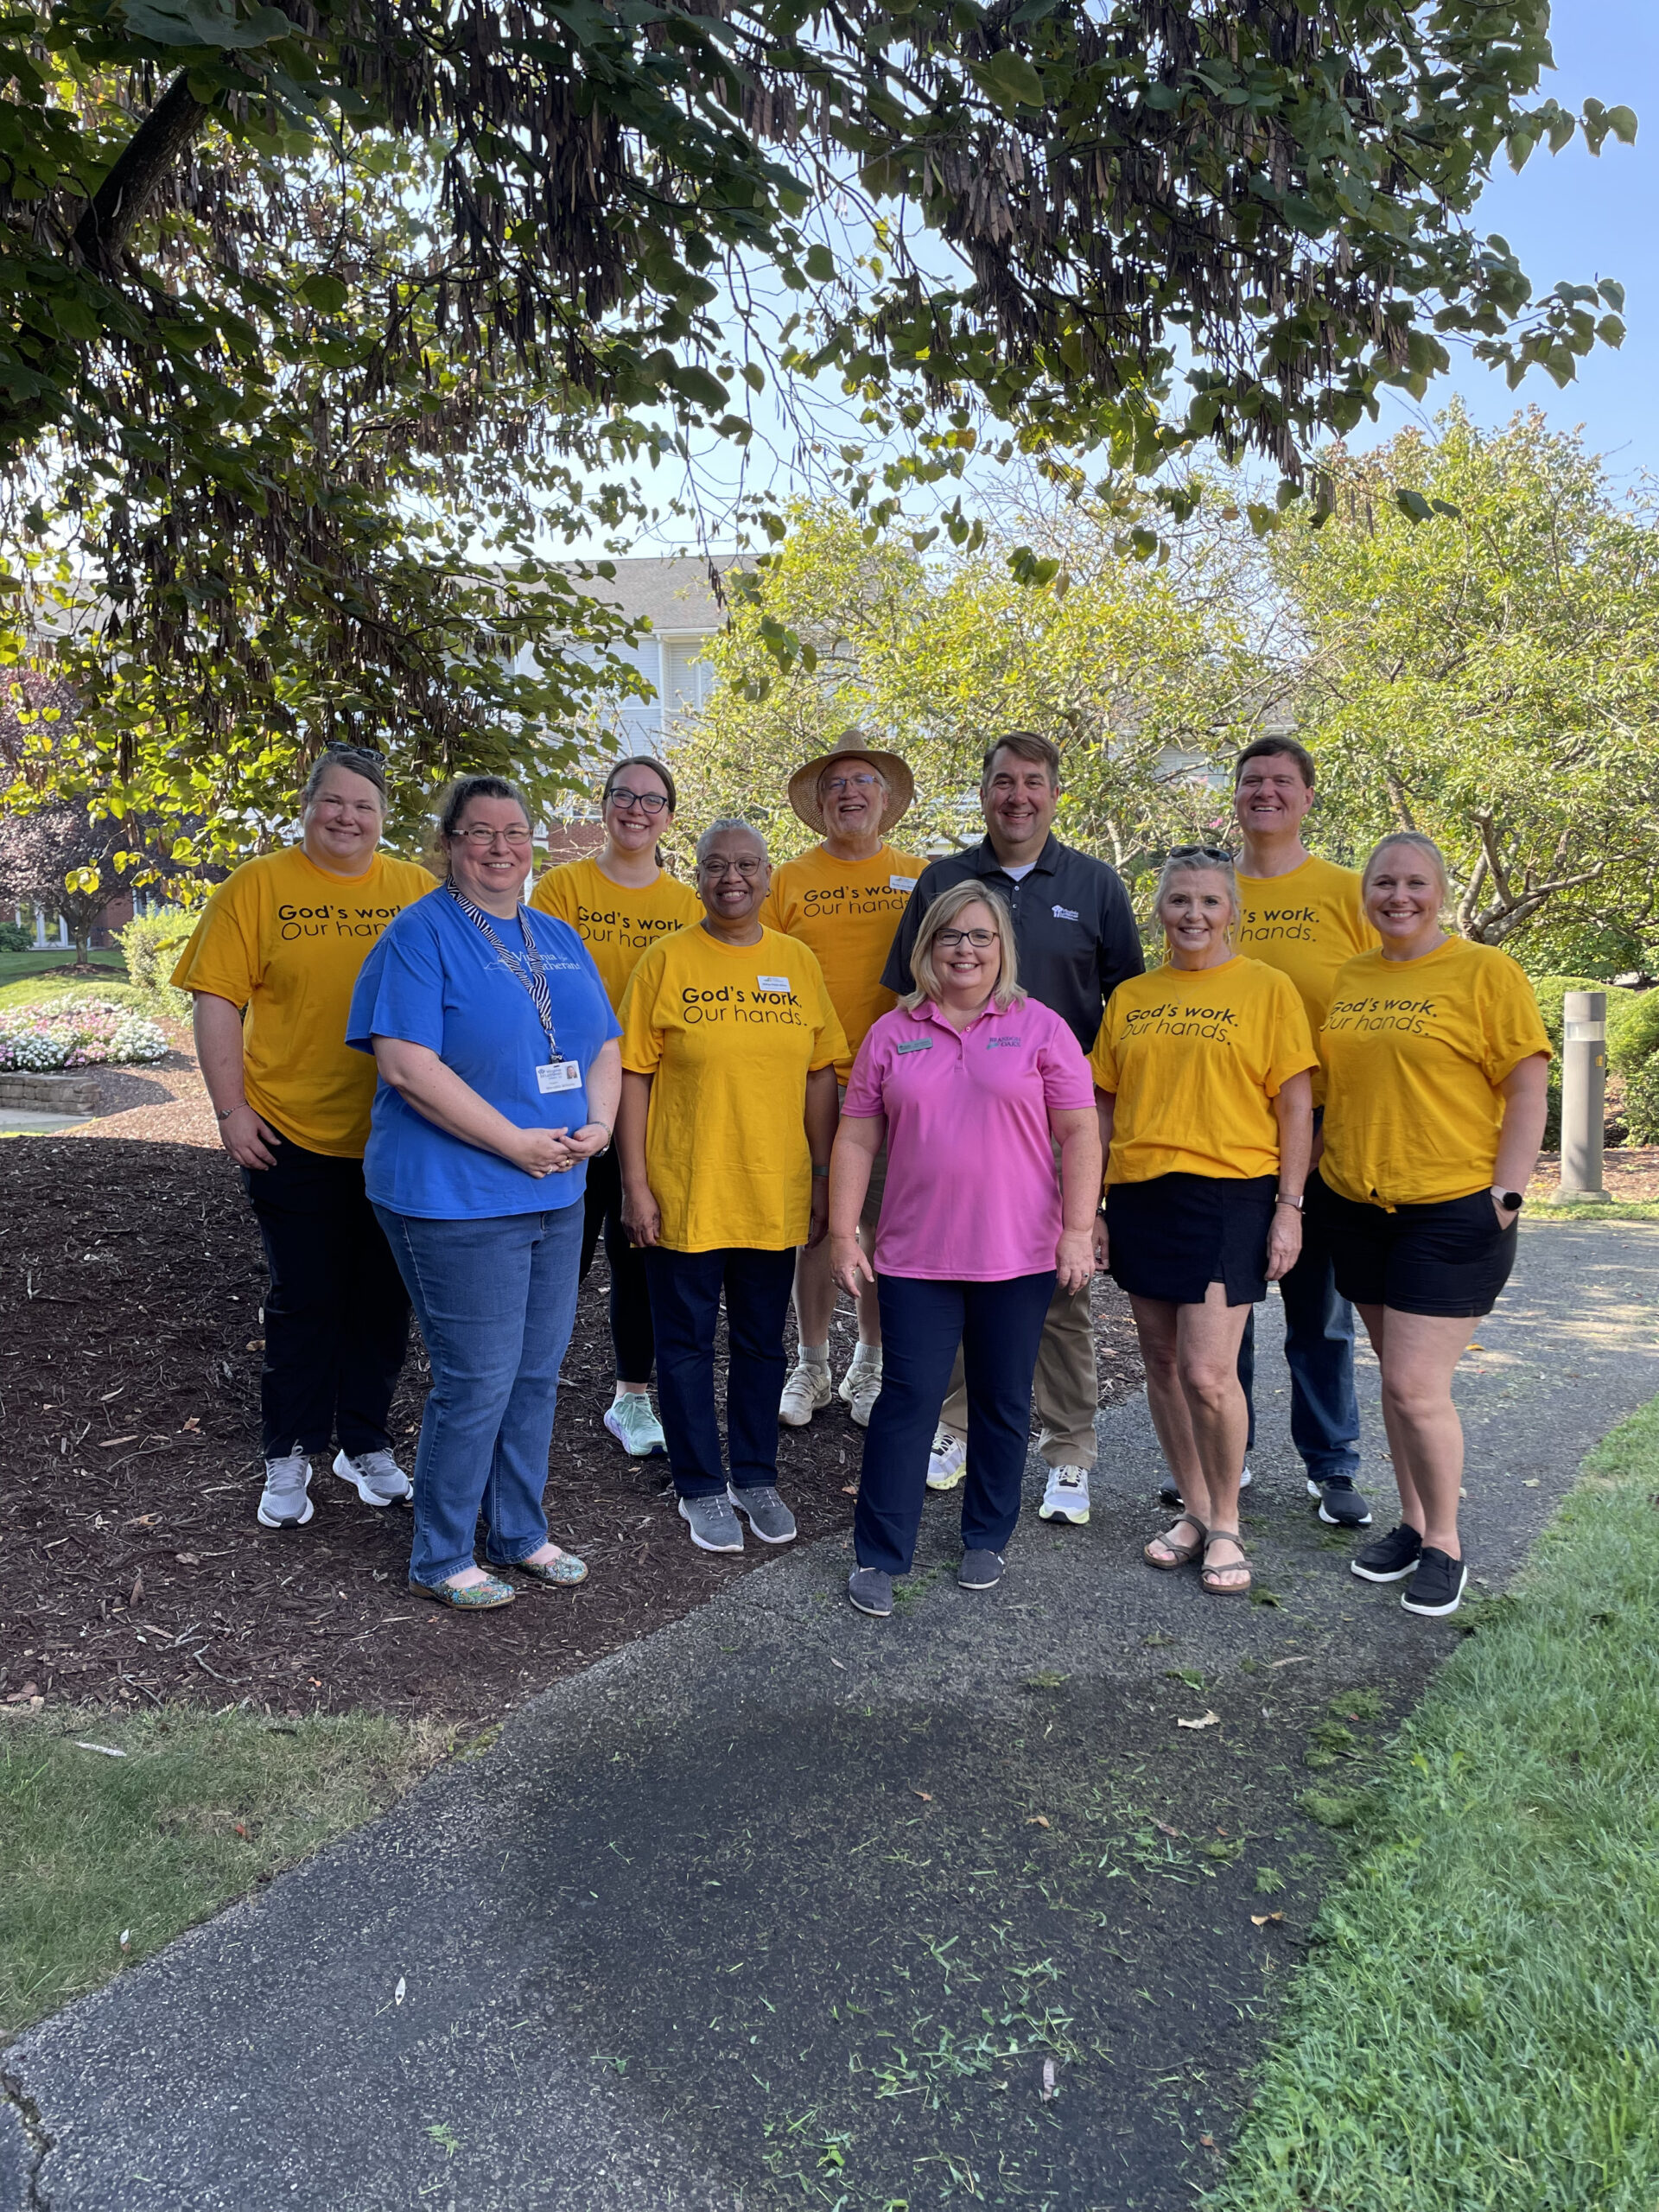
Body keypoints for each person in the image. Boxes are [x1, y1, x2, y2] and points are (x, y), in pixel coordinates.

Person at [346, 773, 619, 1609]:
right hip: (455, 1195)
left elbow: (605, 1045)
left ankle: (518, 1533)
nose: (501, 848)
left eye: (515, 832)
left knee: (535, 1373)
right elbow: (405, 1065)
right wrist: (513, 1143)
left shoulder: (556, 935)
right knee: (478, 1380)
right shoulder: (418, 935)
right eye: (480, 832)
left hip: (557, 1189)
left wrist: (600, 1124)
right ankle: (440, 1556)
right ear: (449, 844)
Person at [172, 743, 435, 1532]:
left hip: (398, 1135)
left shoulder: (415, 890)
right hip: (291, 1134)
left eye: (364, 806)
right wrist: (231, 1110)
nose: (347, 817)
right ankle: (289, 1450)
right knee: (307, 1296)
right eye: (334, 801)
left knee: (384, 1297)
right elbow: (216, 1000)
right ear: (308, 807)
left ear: (383, 817)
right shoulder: (257, 886)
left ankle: (364, 1442)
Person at [882, 731, 1142, 1525]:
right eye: (1003, 781)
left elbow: (1129, 1010)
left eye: (1033, 782)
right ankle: (958, 1427)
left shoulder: (1095, 884)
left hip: (1060, 1124)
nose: (1017, 796)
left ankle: (1070, 1453)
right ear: (984, 793)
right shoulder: (943, 881)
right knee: (962, 1282)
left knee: (1061, 1295)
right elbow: (905, 998)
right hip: (959, 1121)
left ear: (1055, 794)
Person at [831, 884, 1101, 1616]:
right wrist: (842, 1232)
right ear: (927, 948)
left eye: (981, 936)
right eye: (950, 935)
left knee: (1003, 1399)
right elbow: (856, 1136)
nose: (965, 949)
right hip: (915, 1256)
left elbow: (1080, 1132)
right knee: (907, 1400)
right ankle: (880, 1554)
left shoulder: (1041, 1028)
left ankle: (985, 1537)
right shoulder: (892, 1034)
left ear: (1002, 948)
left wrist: (1079, 1230)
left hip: (1018, 1256)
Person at [1319, 832, 1549, 1619]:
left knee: (1417, 1387)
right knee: (1394, 1378)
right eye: (1384, 882)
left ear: (1440, 891)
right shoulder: (1352, 976)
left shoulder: (1486, 972)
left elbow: (1526, 1089)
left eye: (1415, 882)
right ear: (1366, 895)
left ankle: (1446, 1542)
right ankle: (1414, 1523)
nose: (1398, 896)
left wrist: (1507, 1194)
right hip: (1358, 1205)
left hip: (1451, 1208)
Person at [616, 818, 847, 1555]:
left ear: (768, 876)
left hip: (771, 1190)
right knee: (684, 1346)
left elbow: (820, 1073)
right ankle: (699, 1485)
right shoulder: (665, 960)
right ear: (698, 877)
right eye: (716, 865)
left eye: (747, 864)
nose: (732, 878)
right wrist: (634, 1184)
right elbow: (632, 1076)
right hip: (684, 1188)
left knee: (760, 1344)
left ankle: (754, 1476)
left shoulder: (796, 961)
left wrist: (822, 1175)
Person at [1090, 849, 1316, 1597]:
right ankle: (1193, 1508)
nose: (1194, 914)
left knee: (1208, 1373)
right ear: (1160, 910)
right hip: (1141, 1195)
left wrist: (1290, 1208)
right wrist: (1090, 1208)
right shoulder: (1132, 996)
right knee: (1160, 1363)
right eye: (1180, 900)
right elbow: (1103, 1106)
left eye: (1210, 901)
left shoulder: (1267, 988)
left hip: (1231, 1193)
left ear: (1232, 913)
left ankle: (1226, 1523)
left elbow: (1294, 1105)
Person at [1222, 734, 1381, 1529]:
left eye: (1282, 781)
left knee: (1319, 1306)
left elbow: (1383, 1002)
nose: (1266, 792)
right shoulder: (1213, 889)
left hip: (1321, 1125)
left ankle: (1332, 1461)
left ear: (1309, 797)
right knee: (1228, 1306)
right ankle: (1229, 1454)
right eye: (1252, 780)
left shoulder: (1348, 893)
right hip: (1226, 1129)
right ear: (1235, 797)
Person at [531, 755, 701, 1459]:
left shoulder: (687, 905)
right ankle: (527, 1389)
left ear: (669, 817)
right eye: (624, 796)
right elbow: (537, 990)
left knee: (638, 1254)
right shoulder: (563, 888)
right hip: (568, 1102)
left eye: (652, 800)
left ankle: (632, 1398)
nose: (637, 809)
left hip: (652, 1107)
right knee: (555, 1256)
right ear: (603, 807)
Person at [760, 730, 925, 1428]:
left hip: (900, 1082)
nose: (849, 793)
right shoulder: (786, 881)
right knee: (817, 1224)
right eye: (835, 784)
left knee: (885, 1230)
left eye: (862, 782)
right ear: (820, 803)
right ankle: (812, 1362)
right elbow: (757, 964)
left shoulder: (922, 877)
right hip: (809, 1081)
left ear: (885, 800)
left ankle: (871, 1360)